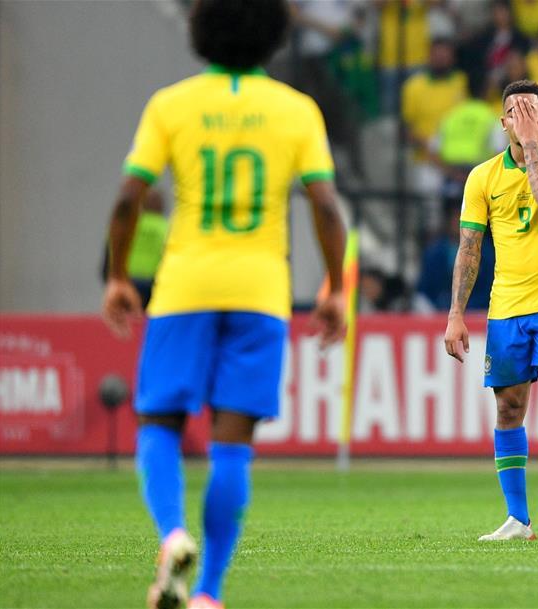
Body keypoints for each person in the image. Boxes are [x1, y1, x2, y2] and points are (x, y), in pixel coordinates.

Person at [101, 2, 346, 608]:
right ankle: (209, 592)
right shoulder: (296, 110)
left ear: (201, 30)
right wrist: (335, 287)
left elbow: (129, 198)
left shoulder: (171, 105)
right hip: (260, 292)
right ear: (273, 35)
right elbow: (325, 206)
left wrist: (117, 277)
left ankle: (172, 535)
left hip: (184, 288)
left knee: (158, 421)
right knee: (232, 445)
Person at [444, 80, 538, 541]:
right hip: (506, 308)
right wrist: (455, 314)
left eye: (530, 111)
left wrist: (530, 147)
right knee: (509, 410)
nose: (522, 119)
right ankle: (518, 519)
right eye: (514, 112)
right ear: (502, 122)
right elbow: (469, 248)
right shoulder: (482, 177)